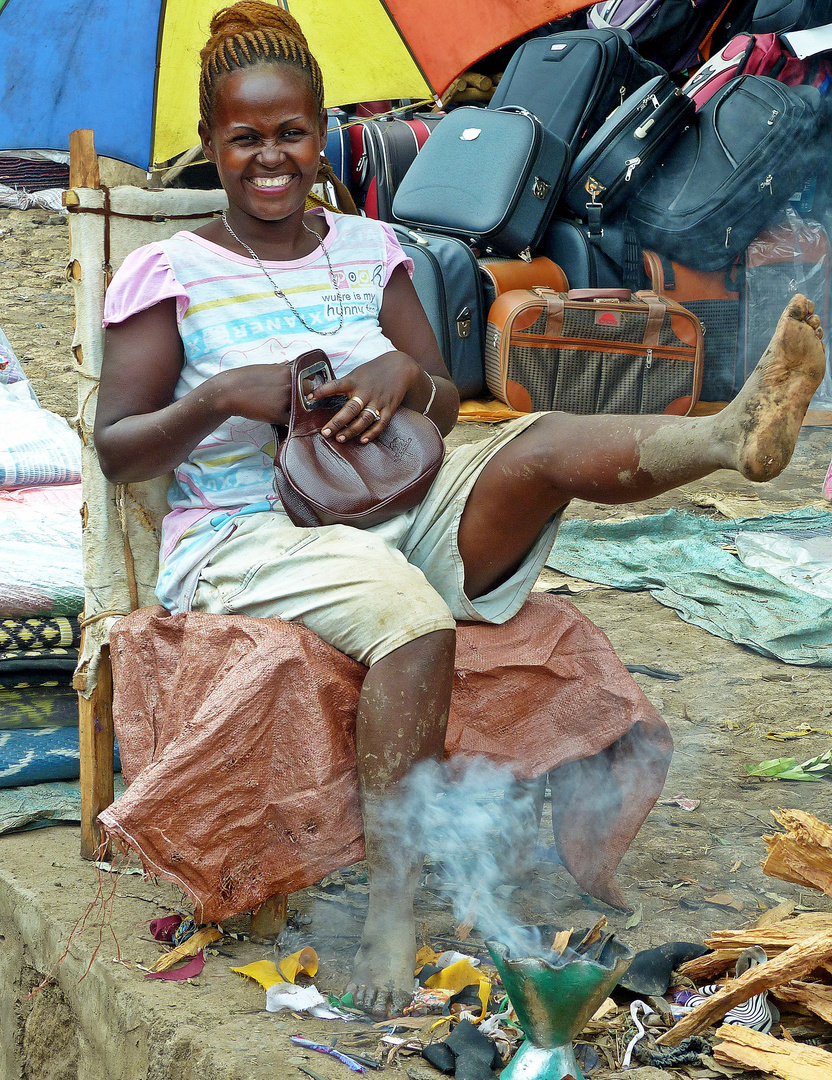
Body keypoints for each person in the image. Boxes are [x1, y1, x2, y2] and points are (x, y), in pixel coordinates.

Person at [94, 1, 826, 1018]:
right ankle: (392, 911)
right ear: (210, 144)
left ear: (325, 134)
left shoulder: (372, 249)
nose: (270, 157)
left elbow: (444, 401)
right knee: (407, 617)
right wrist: (222, 396)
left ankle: (723, 438)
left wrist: (400, 374)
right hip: (246, 534)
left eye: (291, 133)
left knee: (535, 445)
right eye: (244, 138)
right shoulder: (169, 271)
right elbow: (117, 446)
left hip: (395, 499)